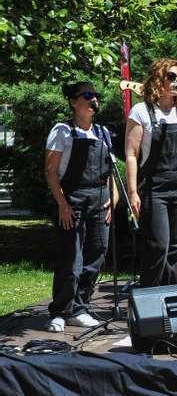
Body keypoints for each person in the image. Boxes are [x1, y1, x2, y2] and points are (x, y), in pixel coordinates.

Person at [44, 82, 117, 332]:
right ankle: (61, 310)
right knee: (71, 257)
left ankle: (80, 306)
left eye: (95, 95)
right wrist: (62, 203)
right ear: (74, 102)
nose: (93, 99)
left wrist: (114, 198)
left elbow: (111, 170)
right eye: (87, 95)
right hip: (72, 198)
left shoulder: (103, 132)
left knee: (97, 253)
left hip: (99, 198)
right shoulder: (62, 130)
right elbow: (52, 171)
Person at [125, 58, 177, 287]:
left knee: (176, 246)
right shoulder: (141, 111)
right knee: (159, 245)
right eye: (171, 77)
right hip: (155, 187)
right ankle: (149, 295)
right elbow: (131, 154)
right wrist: (133, 191)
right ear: (158, 79)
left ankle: (168, 293)